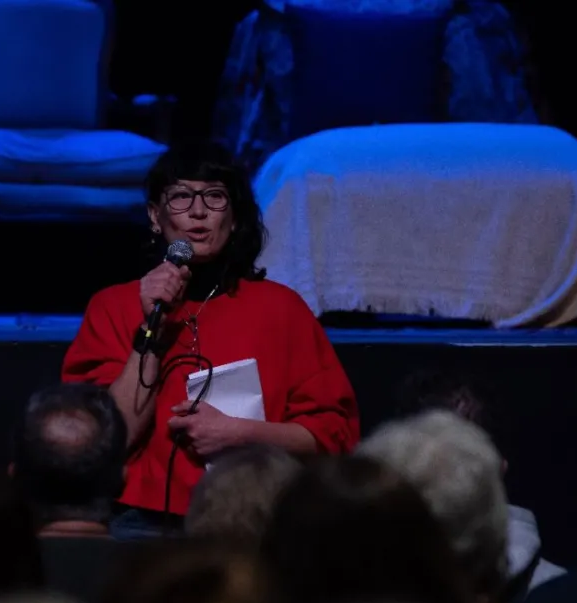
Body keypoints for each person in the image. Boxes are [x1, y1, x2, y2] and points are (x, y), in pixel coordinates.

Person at [61, 142, 359, 539]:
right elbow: (105, 440)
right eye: (181, 197)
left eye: (215, 197)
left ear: (233, 217)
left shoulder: (281, 308)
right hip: (140, 519)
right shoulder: (114, 306)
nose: (198, 212)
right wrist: (154, 326)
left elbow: (333, 435)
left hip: (255, 515)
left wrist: (241, 434)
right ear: (155, 216)